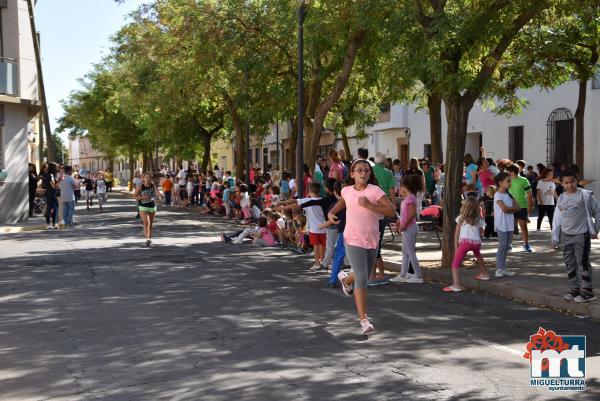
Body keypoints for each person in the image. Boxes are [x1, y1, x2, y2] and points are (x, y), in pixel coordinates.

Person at [328, 159, 396, 335]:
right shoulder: (346, 190)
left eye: (366, 170)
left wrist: (369, 205)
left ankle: (345, 278)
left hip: (372, 238)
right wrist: (331, 213)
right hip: (352, 238)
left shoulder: (374, 191)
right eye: (359, 170)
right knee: (363, 278)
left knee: (362, 273)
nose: (363, 173)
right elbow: (343, 202)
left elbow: (391, 210)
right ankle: (364, 320)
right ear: (352, 174)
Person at [552, 171, 600, 303]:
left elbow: (597, 210)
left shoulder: (585, 195)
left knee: (583, 263)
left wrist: (595, 229)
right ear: (561, 183)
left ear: (577, 181)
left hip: (581, 235)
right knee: (569, 263)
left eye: (572, 181)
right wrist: (555, 237)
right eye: (566, 183)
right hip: (565, 235)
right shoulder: (561, 197)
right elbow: (557, 217)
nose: (570, 185)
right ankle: (574, 290)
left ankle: (588, 292)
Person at [278, 182, 327, 270]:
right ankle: (323, 261)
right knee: (322, 245)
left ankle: (317, 263)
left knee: (316, 246)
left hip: (314, 228)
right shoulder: (323, 200)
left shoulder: (307, 200)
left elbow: (295, 202)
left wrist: (282, 206)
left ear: (309, 191)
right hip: (324, 227)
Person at [444, 198, 490, 292]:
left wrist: (456, 247)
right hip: (476, 243)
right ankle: (484, 274)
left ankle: (456, 285)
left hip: (465, 243)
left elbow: (456, 233)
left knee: (455, 263)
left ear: (465, 207)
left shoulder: (461, 218)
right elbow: (481, 232)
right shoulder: (478, 219)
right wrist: (479, 240)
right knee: (478, 256)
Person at [389, 174, 423, 284]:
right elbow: (405, 214)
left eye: (402, 186)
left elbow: (412, 213)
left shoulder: (410, 198)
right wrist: (400, 223)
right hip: (408, 228)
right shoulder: (408, 198)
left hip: (410, 228)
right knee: (406, 252)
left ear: (406, 186)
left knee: (410, 252)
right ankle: (403, 274)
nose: (400, 188)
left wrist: (404, 225)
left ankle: (418, 276)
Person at [372, 152, 396, 280]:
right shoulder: (388, 173)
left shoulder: (370, 170)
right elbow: (392, 190)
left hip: (371, 205)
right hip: (384, 204)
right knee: (378, 239)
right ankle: (378, 274)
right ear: (385, 161)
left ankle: (375, 274)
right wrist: (393, 204)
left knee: (374, 241)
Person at [494, 172, 521, 278]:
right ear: (500, 182)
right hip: (501, 224)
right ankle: (499, 269)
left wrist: (511, 209)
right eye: (508, 181)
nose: (510, 183)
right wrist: (511, 209)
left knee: (506, 247)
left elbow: (518, 207)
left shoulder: (509, 195)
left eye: (510, 181)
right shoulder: (497, 194)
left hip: (509, 224)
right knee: (502, 245)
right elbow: (504, 209)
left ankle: (503, 268)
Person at [507, 164, 534, 252]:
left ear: (512, 172)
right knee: (510, 227)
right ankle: (509, 244)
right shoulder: (507, 180)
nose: (507, 173)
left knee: (523, 227)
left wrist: (530, 206)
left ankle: (526, 244)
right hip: (510, 207)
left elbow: (529, 194)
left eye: (508, 172)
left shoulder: (524, 180)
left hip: (522, 206)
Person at [134, 173, 162, 247]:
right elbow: (135, 196)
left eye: (149, 177)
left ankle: (149, 238)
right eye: (146, 177)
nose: (148, 179)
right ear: (144, 178)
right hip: (143, 207)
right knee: (146, 223)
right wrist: (142, 198)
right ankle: (146, 239)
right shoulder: (140, 186)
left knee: (150, 224)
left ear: (151, 179)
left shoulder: (153, 186)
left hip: (152, 207)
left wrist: (160, 196)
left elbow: (158, 193)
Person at [42, 162, 59, 230]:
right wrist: (60, 180)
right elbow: (53, 186)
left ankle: (51, 224)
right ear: (53, 168)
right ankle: (50, 224)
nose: (57, 167)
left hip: (50, 193)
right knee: (53, 208)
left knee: (53, 208)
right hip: (51, 193)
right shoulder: (50, 175)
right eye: (56, 166)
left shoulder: (48, 175)